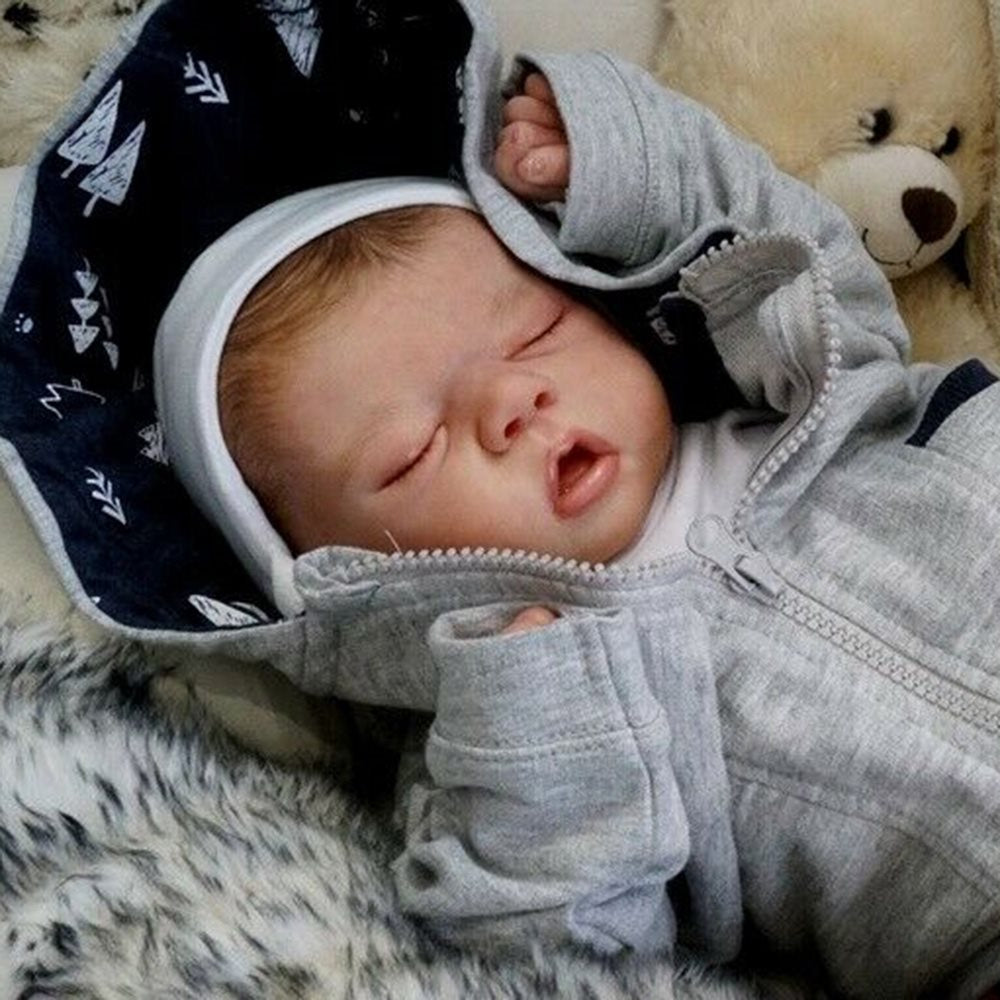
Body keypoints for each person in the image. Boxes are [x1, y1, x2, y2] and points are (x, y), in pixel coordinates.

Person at [155, 46, 1000, 1000]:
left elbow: (763, 227)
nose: (513, 399)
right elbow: (567, 960)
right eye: (412, 451)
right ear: (355, 579)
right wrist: (540, 738)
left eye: (538, 333)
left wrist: (617, 160)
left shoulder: (815, 383)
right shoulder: (492, 745)